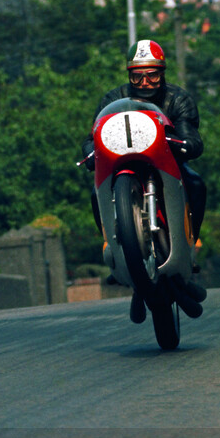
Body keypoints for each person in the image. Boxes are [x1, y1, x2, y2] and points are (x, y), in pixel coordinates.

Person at [82, 40, 206, 324]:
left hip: (165, 163)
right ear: (129, 74)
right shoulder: (112, 99)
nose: (145, 81)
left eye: (152, 74)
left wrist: (188, 143)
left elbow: (189, 132)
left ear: (162, 72)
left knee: (197, 184)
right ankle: (115, 248)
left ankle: (190, 245)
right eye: (137, 75)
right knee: (93, 194)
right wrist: (90, 152)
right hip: (122, 164)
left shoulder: (178, 99)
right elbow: (92, 134)